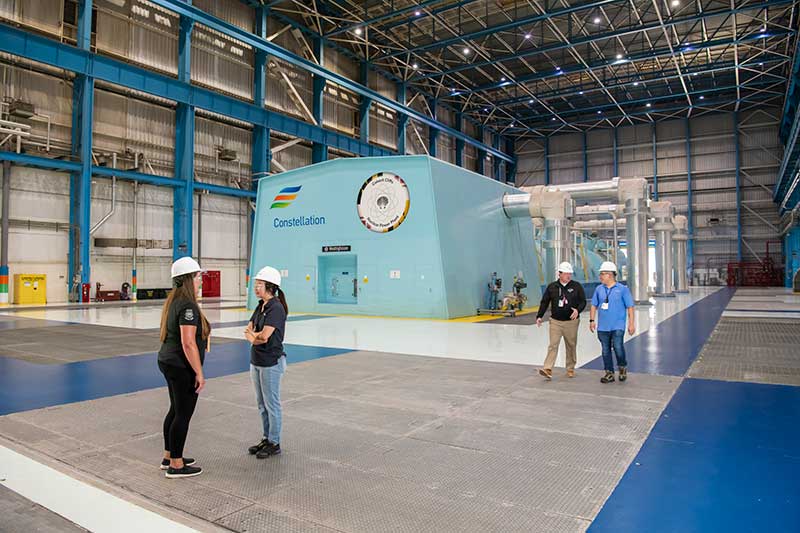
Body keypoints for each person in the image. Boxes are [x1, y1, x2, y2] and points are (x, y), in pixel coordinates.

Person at [157, 256, 210, 479]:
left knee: (175, 410)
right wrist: (199, 372)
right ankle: (176, 465)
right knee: (183, 414)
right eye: (197, 276)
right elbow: (188, 343)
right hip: (181, 366)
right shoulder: (188, 305)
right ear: (188, 279)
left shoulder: (174, 301)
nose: (200, 280)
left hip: (168, 361)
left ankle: (169, 456)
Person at [245, 266, 289, 459]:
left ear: (270, 286)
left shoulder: (276, 308)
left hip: (271, 362)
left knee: (272, 404)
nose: (256, 287)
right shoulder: (260, 306)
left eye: (260, 284)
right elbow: (249, 329)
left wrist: (253, 337)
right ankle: (266, 437)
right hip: (256, 361)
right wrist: (254, 337)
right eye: (256, 284)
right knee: (261, 404)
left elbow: (263, 337)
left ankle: (274, 442)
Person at [536, 262, 586, 380]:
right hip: (555, 322)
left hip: (571, 322)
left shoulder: (577, 286)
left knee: (571, 345)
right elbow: (545, 302)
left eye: (570, 273)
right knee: (553, 345)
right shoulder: (552, 287)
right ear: (559, 274)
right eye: (566, 273)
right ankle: (547, 368)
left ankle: (570, 368)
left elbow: (583, 301)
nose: (569, 276)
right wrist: (539, 316)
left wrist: (578, 310)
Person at [589, 261, 635, 384]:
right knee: (605, 350)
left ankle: (622, 367)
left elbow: (630, 307)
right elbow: (593, 305)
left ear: (609, 275)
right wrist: (592, 320)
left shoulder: (622, 289)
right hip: (603, 327)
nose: (600, 276)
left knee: (618, 347)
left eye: (602, 274)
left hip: (617, 325)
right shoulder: (599, 289)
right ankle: (609, 373)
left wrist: (631, 324)